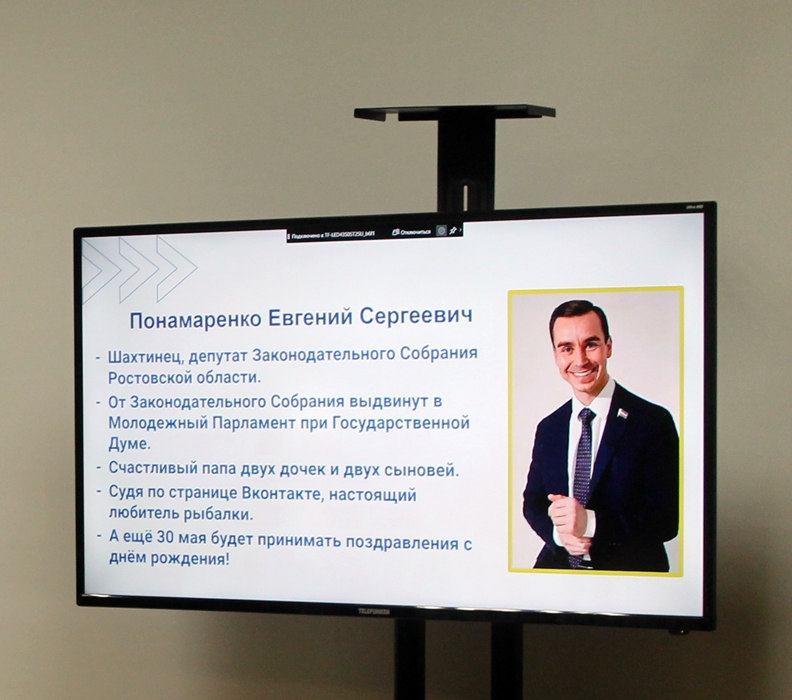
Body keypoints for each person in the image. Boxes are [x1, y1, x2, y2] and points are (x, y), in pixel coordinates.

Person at [522, 300, 679, 572]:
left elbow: (667, 520)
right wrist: (559, 535)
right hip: (558, 572)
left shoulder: (652, 422)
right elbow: (533, 502)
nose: (580, 360)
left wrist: (590, 523)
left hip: (630, 578)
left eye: (591, 344)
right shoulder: (549, 427)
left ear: (608, 346)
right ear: (556, 355)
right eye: (567, 348)